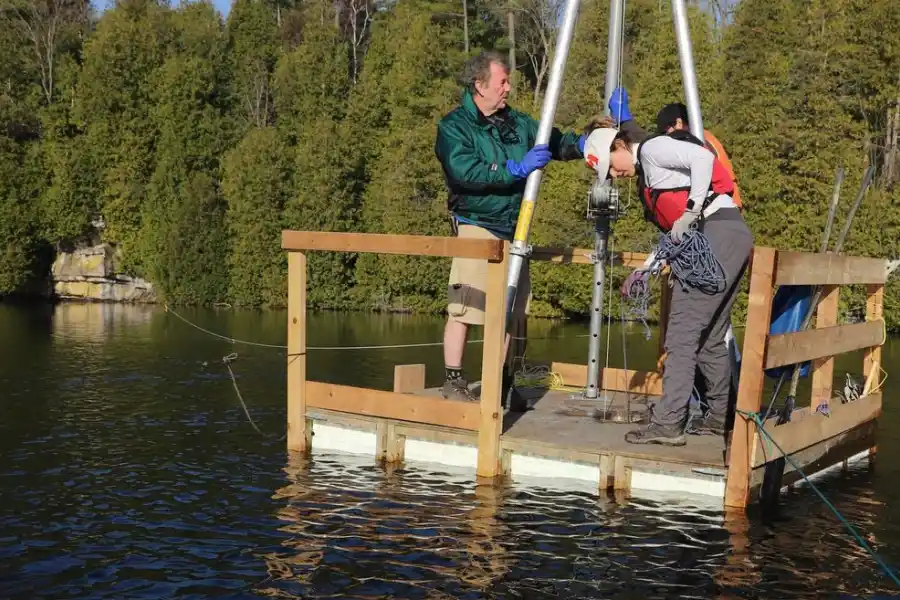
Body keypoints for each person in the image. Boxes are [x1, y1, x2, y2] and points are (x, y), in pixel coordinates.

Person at [582, 107, 753, 446]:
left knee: (681, 335)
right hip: (729, 235)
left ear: (619, 146)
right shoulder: (651, 170)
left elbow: (703, 161)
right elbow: (674, 235)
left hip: (716, 234)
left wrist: (690, 211)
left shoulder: (652, 149)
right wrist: (646, 268)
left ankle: (668, 424)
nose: (614, 175)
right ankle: (719, 417)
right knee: (710, 337)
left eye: (611, 167)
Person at [434, 51, 587, 404]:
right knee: (467, 305)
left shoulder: (517, 123)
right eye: (502, 81)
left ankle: (500, 383)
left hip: (514, 227)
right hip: (477, 222)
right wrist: (514, 169)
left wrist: (585, 144)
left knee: (512, 311)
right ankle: (453, 381)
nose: (508, 88)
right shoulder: (454, 126)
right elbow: (465, 172)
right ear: (480, 85)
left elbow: (555, 140)